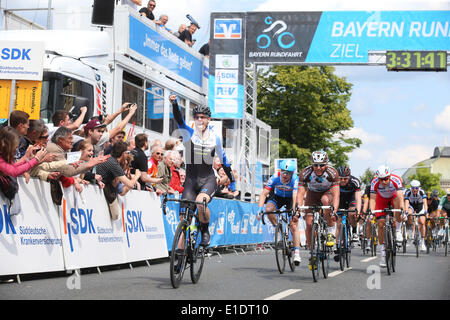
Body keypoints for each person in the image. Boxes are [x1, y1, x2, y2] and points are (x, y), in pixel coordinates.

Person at [170, 94, 234, 247]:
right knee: (183, 220)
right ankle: (179, 256)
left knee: (200, 202)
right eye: (197, 117)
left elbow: (224, 161)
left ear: (208, 119)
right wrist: (174, 104)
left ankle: (205, 230)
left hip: (208, 180)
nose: (200, 119)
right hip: (191, 182)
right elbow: (179, 120)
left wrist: (233, 180)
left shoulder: (215, 138)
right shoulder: (188, 133)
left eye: (203, 117)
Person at [297, 150, 339, 270]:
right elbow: (300, 193)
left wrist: (334, 211)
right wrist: (298, 209)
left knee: (326, 201)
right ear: (312, 164)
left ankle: (330, 230)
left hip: (327, 192)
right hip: (312, 194)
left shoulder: (332, 173)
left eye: (321, 165)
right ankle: (312, 253)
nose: (318, 168)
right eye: (315, 165)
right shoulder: (306, 172)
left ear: (326, 164)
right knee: (309, 223)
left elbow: (336, 195)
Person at [257, 159, 301, 265]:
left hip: (290, 199)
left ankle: (296, 253)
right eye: (283, 172)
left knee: (294, 225)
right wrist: (259, 209)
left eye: (288, 173)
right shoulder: (275, 177)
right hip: (278, 197)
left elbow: (295, 197)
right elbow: (263, 194)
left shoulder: (295, 179)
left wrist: (295, 211)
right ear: (280, 170)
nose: (285, 175)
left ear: (292, 173)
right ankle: (278, 227)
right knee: (268, 209)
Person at [368, 165, 405, 267]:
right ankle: (383, 254)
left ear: (389, 176)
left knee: (397, 204)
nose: (383, 182)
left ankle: (397, 230)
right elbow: (372, 199)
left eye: (385, 179)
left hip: (394, 198)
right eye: (381, 179)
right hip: (381, 200)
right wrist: (371, 212)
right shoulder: (374, 182)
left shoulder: (396, 179)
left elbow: (400, 197)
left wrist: (402, 210)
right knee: (380, 224)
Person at [335, 165, 362, 257]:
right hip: (340, 199)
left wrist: (357, 210)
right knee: (339, 223)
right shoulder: (334, 182)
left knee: (351, 213)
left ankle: (354, 231)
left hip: (352, 198)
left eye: (345, 179)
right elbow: (333, 197)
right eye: (340, 178)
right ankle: (338, 245)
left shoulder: (355, 181)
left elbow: (358, 198)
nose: (342, 181)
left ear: (349, 177)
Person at [404, 180, 428, 251]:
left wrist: (426, 211)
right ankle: (411, 228)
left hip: (420, 206)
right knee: (409, 213)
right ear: (411, 188)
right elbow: (406, 203)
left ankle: (423, 242)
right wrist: (405, 212)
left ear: (419, 188)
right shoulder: (408, 192)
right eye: (413, 188)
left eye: (416, 188)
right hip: (411, 205)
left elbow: (425, 203)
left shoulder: (422, 191)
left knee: (422, 222)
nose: (415, 190)